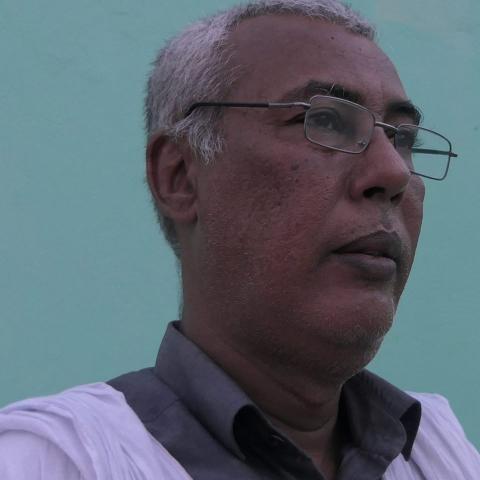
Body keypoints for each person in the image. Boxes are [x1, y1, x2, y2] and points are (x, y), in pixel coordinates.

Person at [1, 0, 479, 478]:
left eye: (403, 138)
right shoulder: (56, 460)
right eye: (325, 121)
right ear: (180, 176)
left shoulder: (438, 454)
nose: (393, 172)